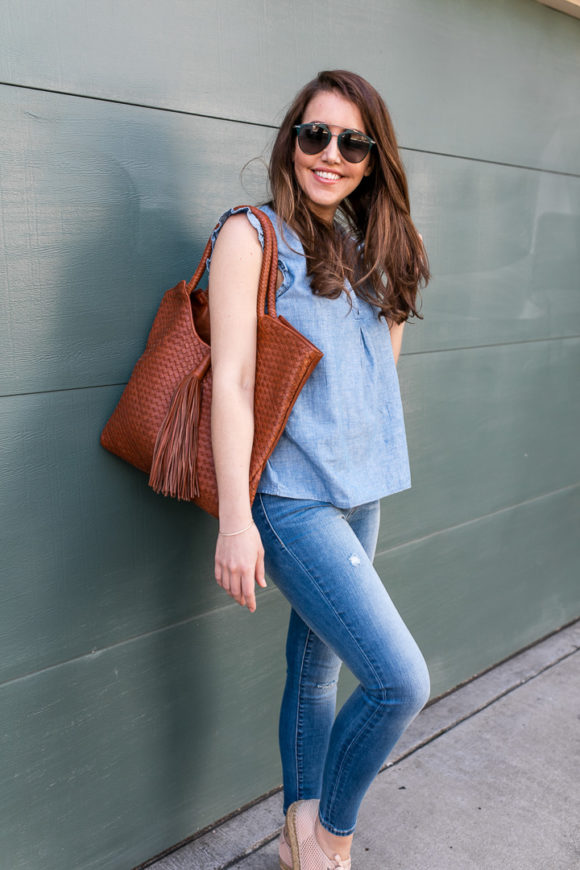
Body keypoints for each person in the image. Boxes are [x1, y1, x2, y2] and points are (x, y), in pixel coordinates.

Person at [207, 70, 431, 870]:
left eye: (351, 141)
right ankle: (328, 836)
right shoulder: (251, 236)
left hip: (358, 489)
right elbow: (232, 384)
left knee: (315, 677)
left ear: (373, 158)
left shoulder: (372, 246)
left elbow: (380, 369)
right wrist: (237, 521)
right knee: (400, 682)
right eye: (315, 135)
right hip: (290, 498)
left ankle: (298, 846)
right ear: (291, 141)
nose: (329, 153)